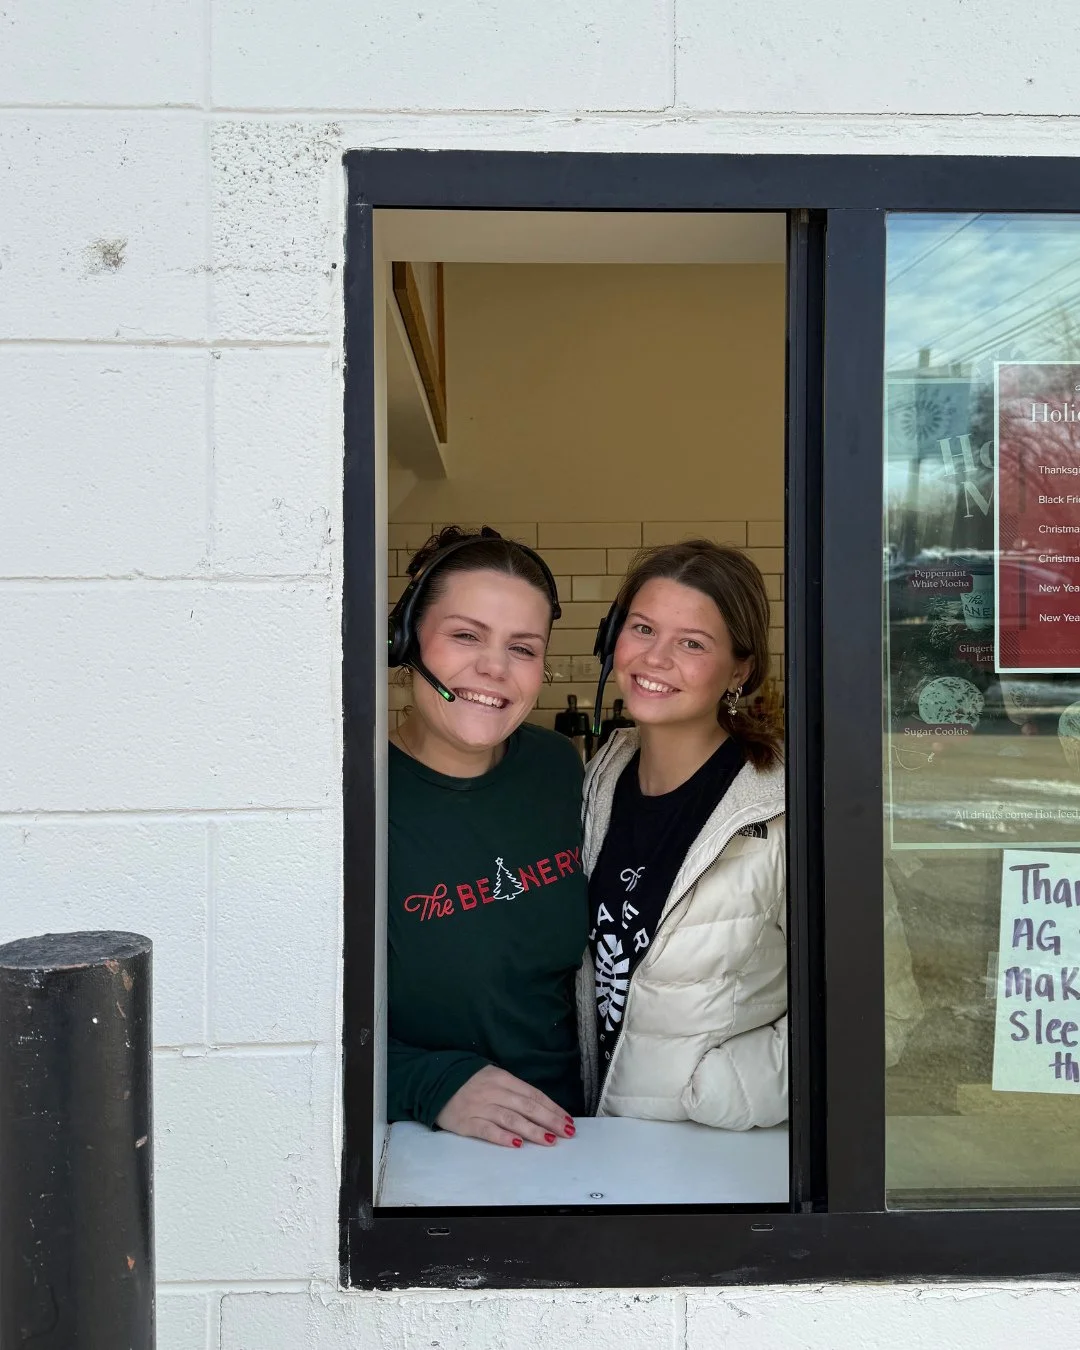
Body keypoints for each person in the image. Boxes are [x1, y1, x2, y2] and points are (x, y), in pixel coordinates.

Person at [387, 526, 587, 1148]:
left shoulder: (560, 767)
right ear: (406, 642)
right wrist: (428, 1082)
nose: (494, 668)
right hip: (426, 1151)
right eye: (466, 635)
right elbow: (284, 1020)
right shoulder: (344, 797)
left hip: (585, 1138)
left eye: (522, 648)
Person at [580, 539, 787, 1129]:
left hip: (709, 1162)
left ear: (740, 670)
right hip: (594, 1141)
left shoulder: (779, 809)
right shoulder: (600, 777)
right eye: (642, 628)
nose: (655, 657)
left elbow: (878, 1007)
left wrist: (718, 1091)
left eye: (692, 642)